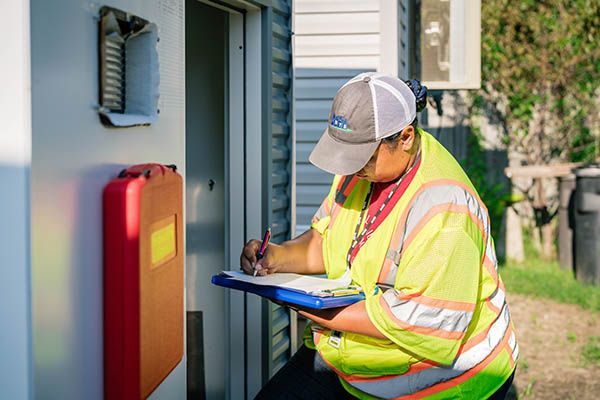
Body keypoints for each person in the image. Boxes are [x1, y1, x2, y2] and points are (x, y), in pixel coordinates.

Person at [240, 73, 517, 399]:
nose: (353, 168)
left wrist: (321, 310)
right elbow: (325, 242)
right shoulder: (358, 174)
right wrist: (277, 257)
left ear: (405, 137)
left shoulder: (444, 205)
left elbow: (428, 323)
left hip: (444, 381)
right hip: (355, 352)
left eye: (363, 157)